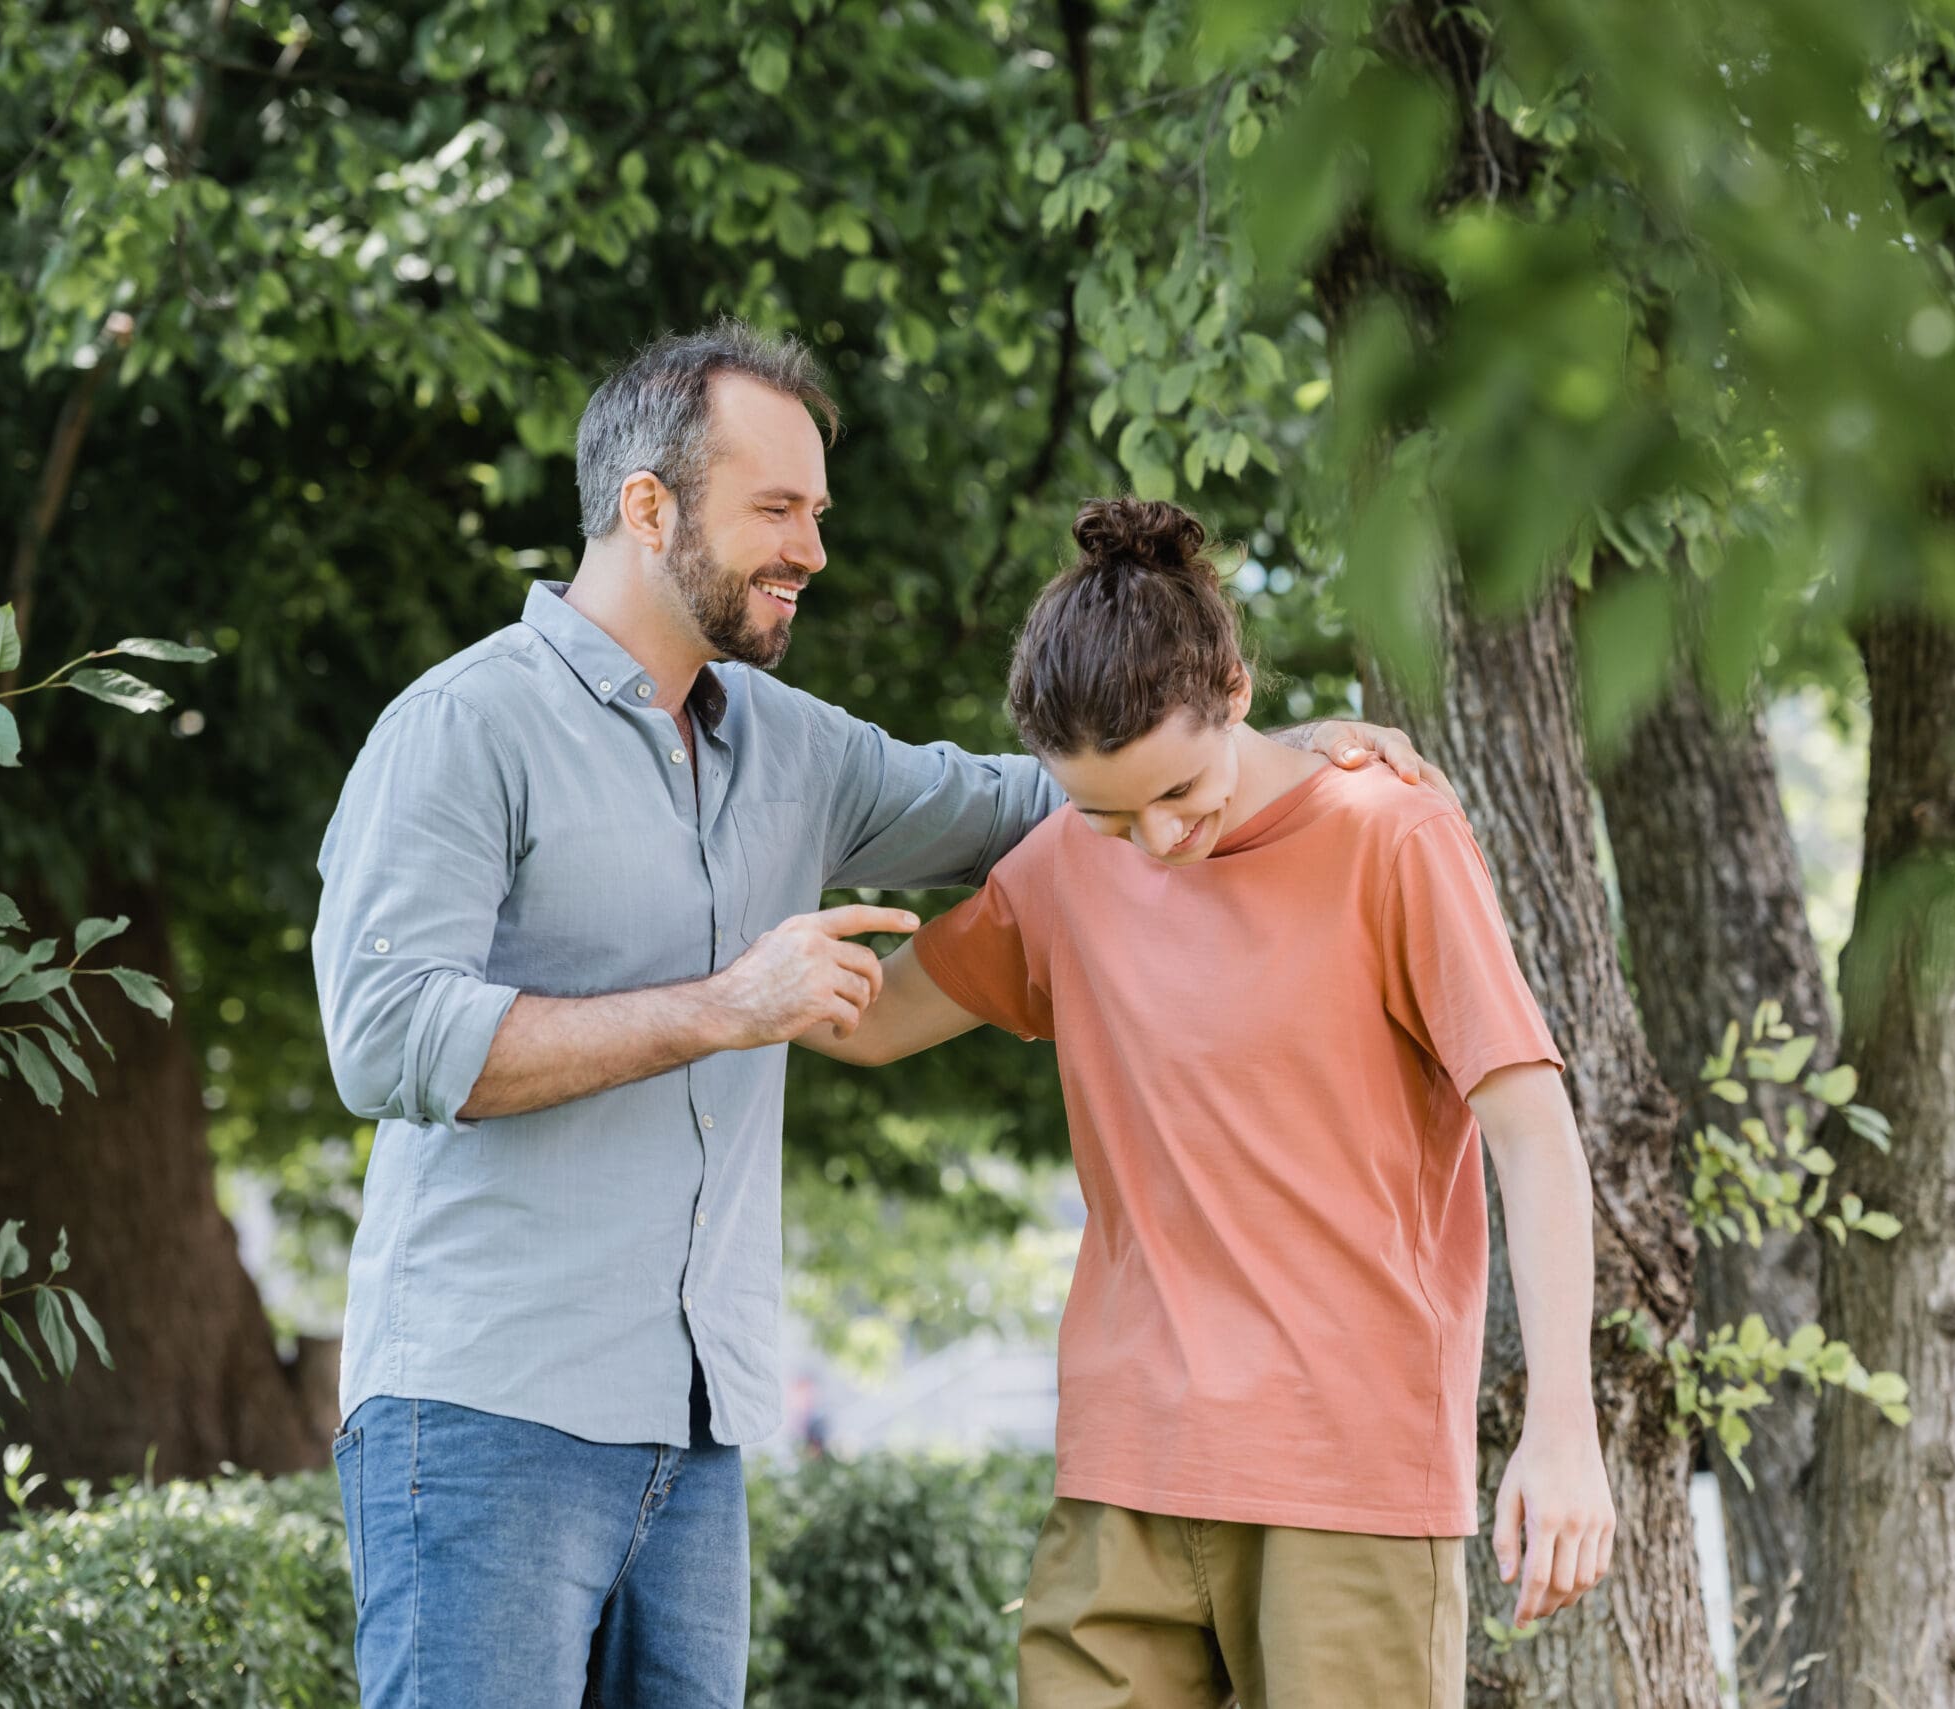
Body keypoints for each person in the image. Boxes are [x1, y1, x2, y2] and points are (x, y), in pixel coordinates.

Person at [311, 322, 1435, 1709]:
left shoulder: (792, 747)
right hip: (485, 1412)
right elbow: (389, 1038)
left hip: (697, 1429)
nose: (812, 551)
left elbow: (1051, 800)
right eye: (776, 510)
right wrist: (728, 1007)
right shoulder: (465, 726)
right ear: (647, 507)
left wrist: (1278, 753)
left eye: (818, 513)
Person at [799, 497, 1618, 1708]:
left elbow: (1532, 1132)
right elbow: (863, 1019)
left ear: (1234, 689)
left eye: (1180, 790)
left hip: (1346, 1475)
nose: (1159, 838)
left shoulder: (1390, 834)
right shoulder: (1069, 867)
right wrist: (710, 935)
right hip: (1124, 1470)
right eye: (1109, 811)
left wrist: (1562, 1427)